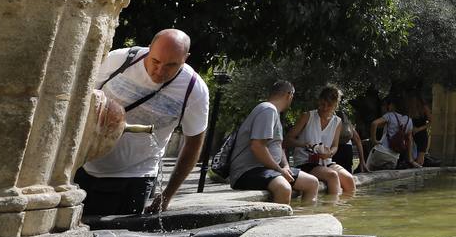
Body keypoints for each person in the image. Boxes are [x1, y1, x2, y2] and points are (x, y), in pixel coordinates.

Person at [76, 29, 210, 217]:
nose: (160, 71)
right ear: (149, 48)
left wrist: (167, 195)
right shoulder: (119, 60)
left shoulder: (193, 90)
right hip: (83, 164)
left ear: (185, 58)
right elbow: (80, 96)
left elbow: (194, 143)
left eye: (172, 65)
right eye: (155, 61)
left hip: (135, 176)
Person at [227, 81, 320, 205]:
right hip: (247, 172)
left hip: (268, 170)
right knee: (284, 188)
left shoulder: (273, 112)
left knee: (312, 183)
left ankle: (304, 219)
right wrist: (280, 170)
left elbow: (278, 147)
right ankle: (278, 223)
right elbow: (257, 146)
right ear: (289, 95)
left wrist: (285, 166)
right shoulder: (267, 110)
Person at [286, 85, 356, 199]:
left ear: (335, 106)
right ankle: (331, 210)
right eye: (323, 104)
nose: (325, 108)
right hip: (305, 161)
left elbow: (335, 146)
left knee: (349, 179)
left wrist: (329, 153)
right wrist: (304, 144)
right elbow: (288, 140)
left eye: (329, 105)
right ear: (319, 101)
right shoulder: (307, 116)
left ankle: (344, 211)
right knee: (332, 175)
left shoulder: (337, 121)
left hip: (326, 162)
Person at [368, 97, 413, 171]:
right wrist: (410, 159)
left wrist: (374, 140)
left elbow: (374, 123)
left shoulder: (390, 115)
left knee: (369, 173)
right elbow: (409, 140)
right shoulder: (409, 121)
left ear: (394, 105)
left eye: (390, 104)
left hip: (381, 151)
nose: (388, 106)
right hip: (394, 156)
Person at [411, 98, 431, 168]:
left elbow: (431, 122)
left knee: (420, 159)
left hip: (421, 134)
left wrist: (419, 129)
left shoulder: (424, 108)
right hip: (411, 135)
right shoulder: (410, 108)